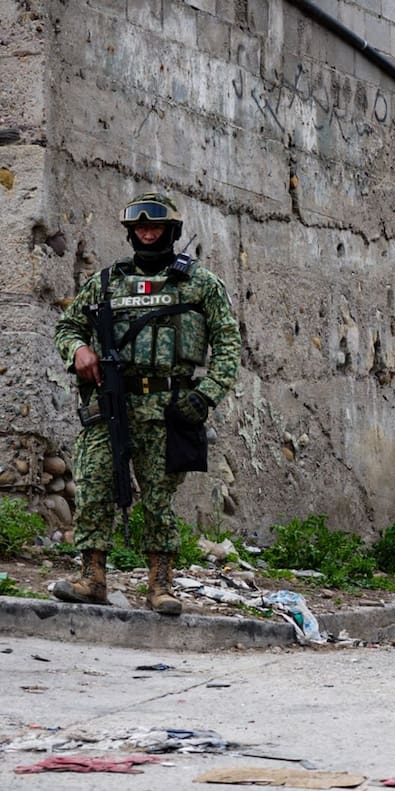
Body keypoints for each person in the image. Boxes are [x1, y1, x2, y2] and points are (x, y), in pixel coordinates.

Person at [52, 192, 241, 615]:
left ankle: (160, 586)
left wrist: (206, 395)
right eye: (140, 228)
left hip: (168, 409)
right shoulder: (106, 282)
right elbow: (67, 326)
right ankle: (92, 579)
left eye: (155, 227)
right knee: (95, 487)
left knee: (158, 500)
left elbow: (229, 344)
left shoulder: (200, 284)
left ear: (170, 231)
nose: (147, 234)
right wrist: (79, 350)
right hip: (110, 406)